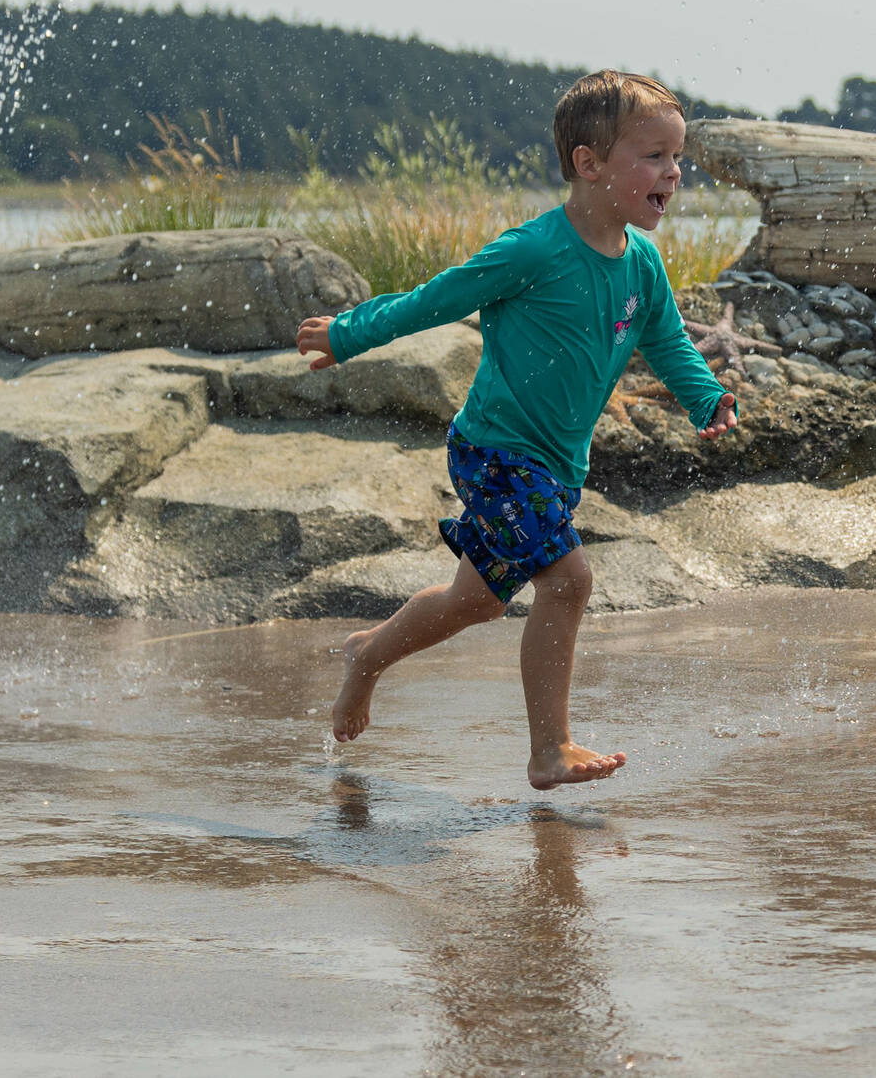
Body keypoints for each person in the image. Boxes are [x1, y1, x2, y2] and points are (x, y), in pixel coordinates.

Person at [295, 70, 737, 790]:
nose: (674, 172)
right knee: (568, 579)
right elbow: (435, 298)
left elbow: (667, 342)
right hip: (497, 453)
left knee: (473, 601)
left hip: (558, 467)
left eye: (676, 156)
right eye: (653, 156)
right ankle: (548, 748)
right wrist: (348, 332)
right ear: (588, 164)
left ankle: (368, 654)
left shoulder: (644, 264)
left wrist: (704, 396)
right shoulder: (533, 251)